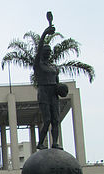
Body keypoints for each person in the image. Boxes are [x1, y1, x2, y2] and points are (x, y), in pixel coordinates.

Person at [34, 21, 64, 150]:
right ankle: (40, 143)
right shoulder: (38, 65)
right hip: (44, 93)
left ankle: (55, 143)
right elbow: (39, 47)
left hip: (53, 94)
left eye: (49, 51)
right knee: (47, 120)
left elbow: (57, 82)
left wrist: (60, 89)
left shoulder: (53, 67)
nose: (47, 52)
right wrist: (45, 33)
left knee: (55, 121)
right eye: (45, 50)